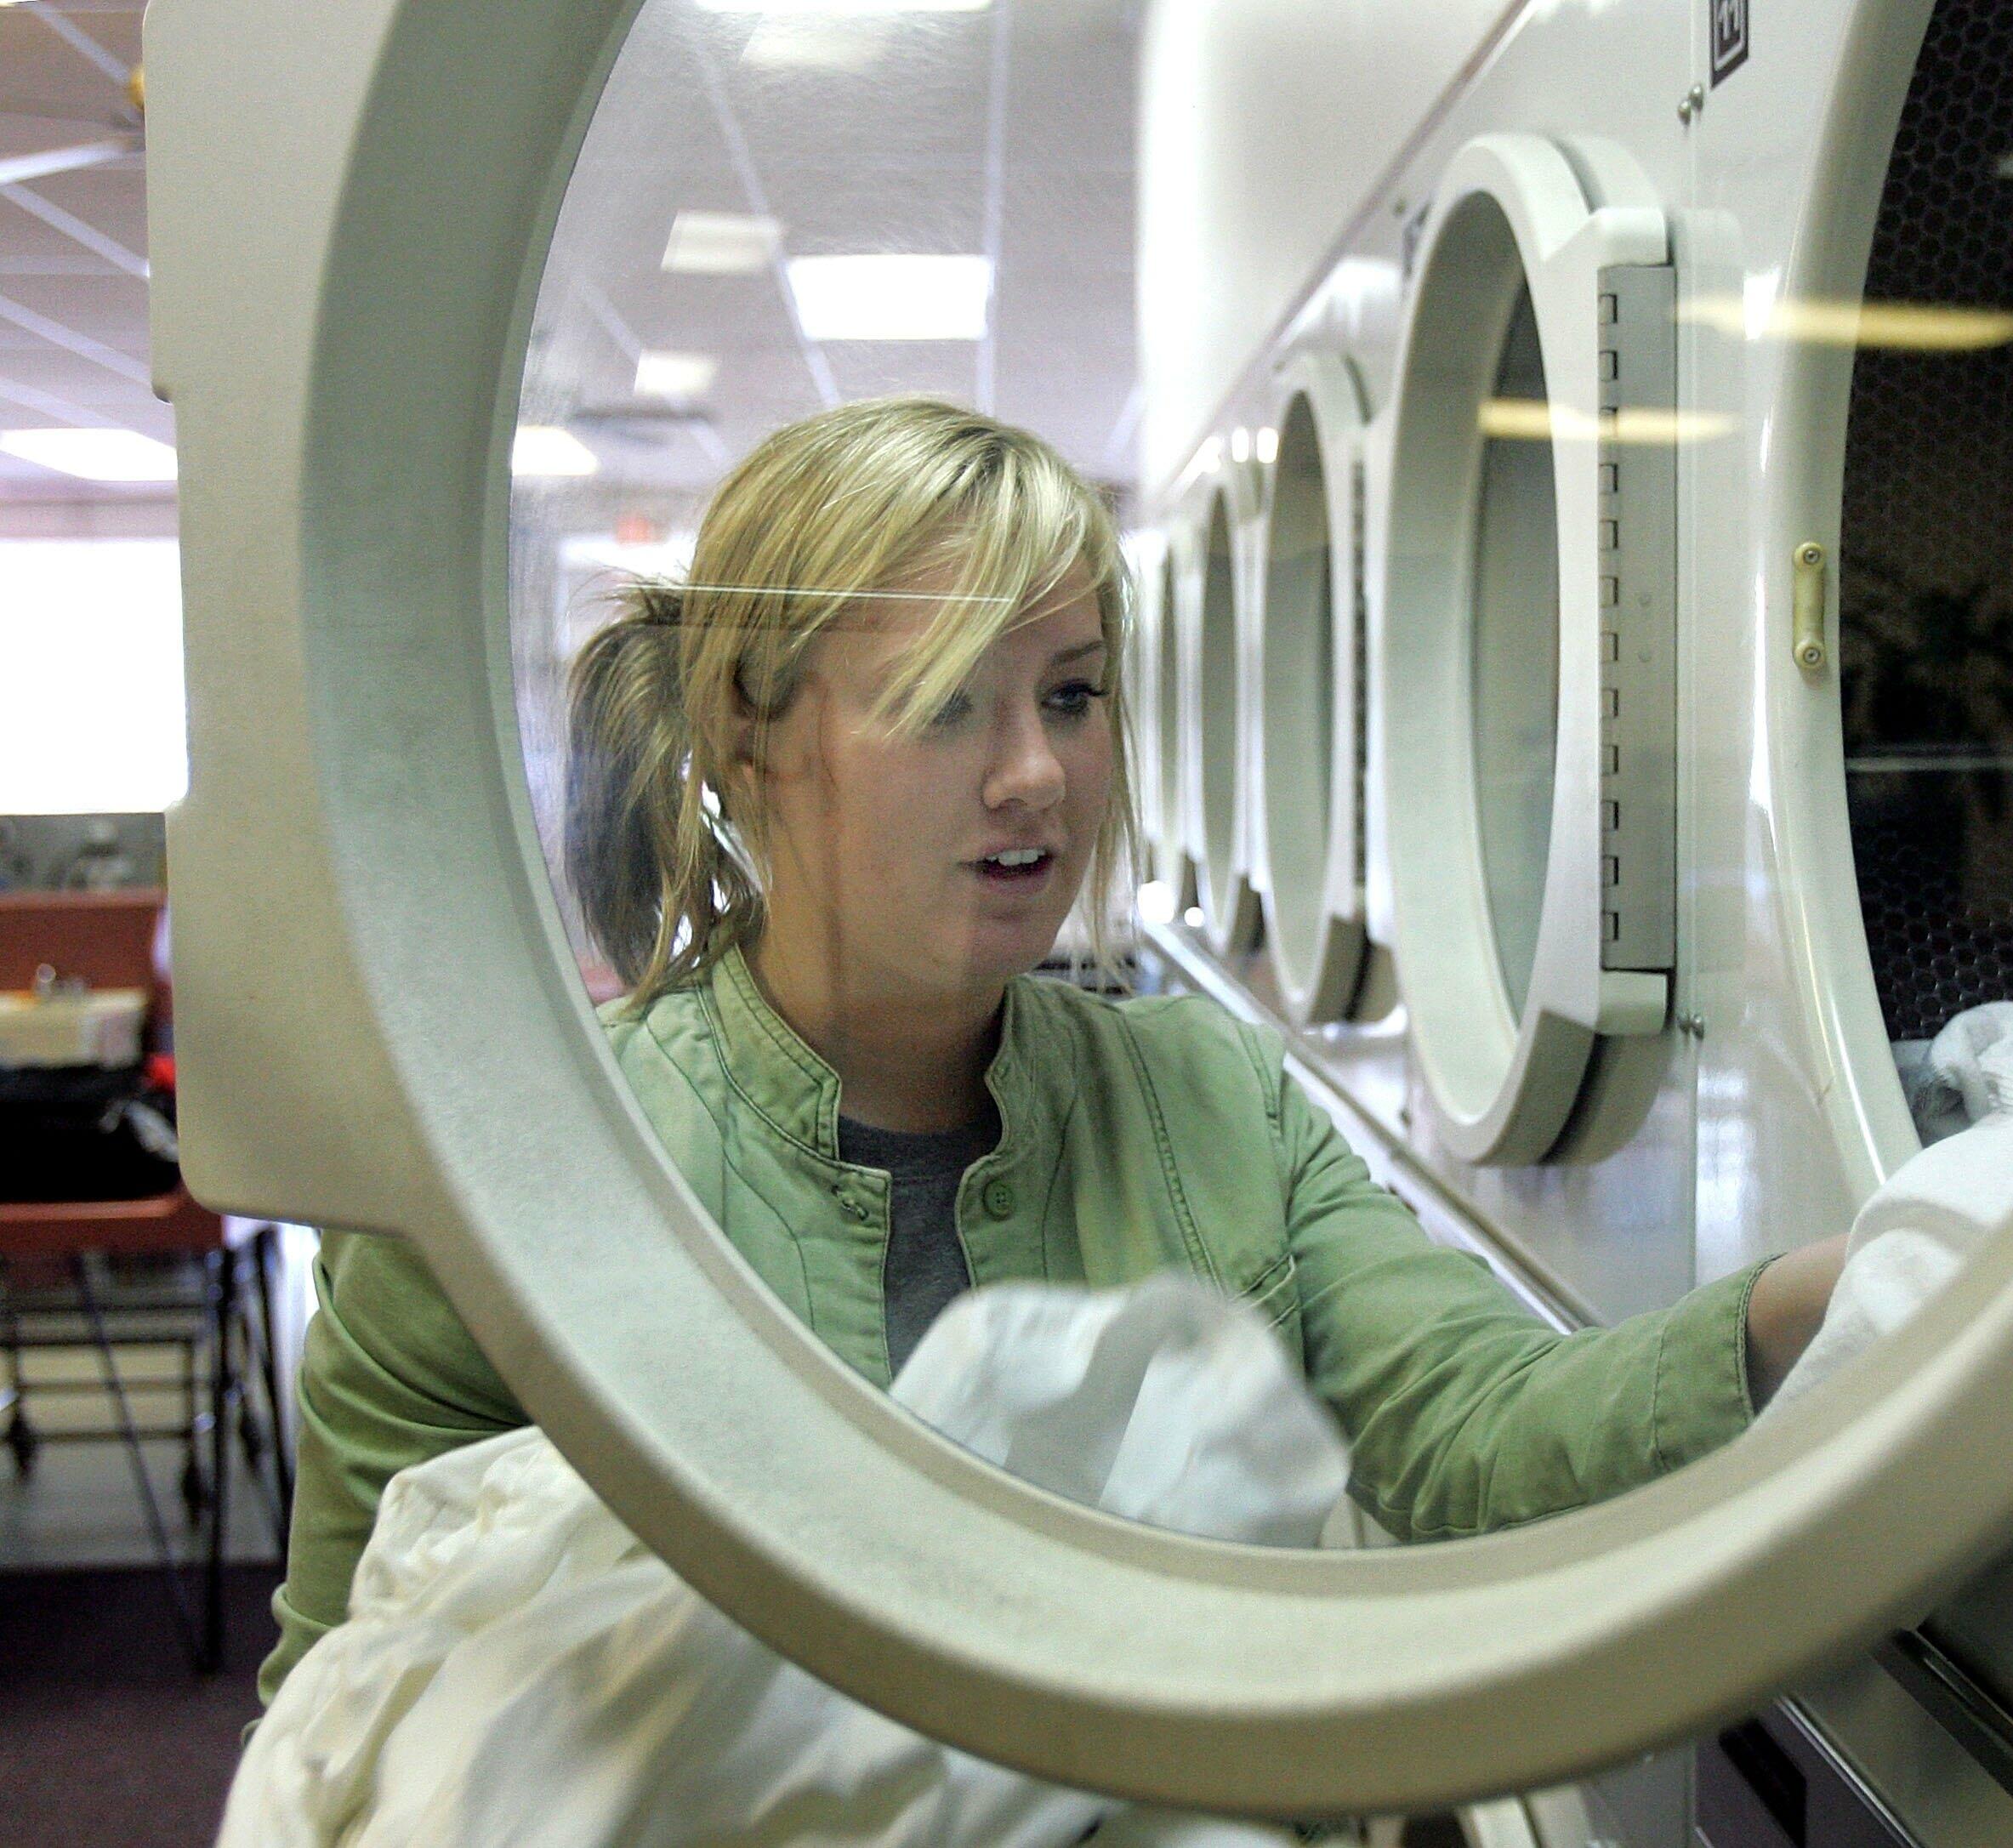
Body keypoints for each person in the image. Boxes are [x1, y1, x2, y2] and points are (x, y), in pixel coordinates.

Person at [259, 396, 1844, 1703]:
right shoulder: (528, 1171)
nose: (1037, 776)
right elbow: (350, 1705)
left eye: (1073, 695)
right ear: (752, 733)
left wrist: (1805, 1311)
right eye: (952, 702)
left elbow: (1482, 1429)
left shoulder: (1211, 1106)